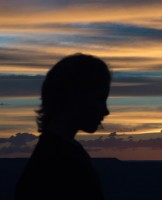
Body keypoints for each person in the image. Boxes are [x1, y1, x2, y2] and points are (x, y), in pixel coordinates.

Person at [15, 53, 111, 200]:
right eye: (100, 98)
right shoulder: (59, 162)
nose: (106, 111)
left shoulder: (57, 153)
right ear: (76, 96)